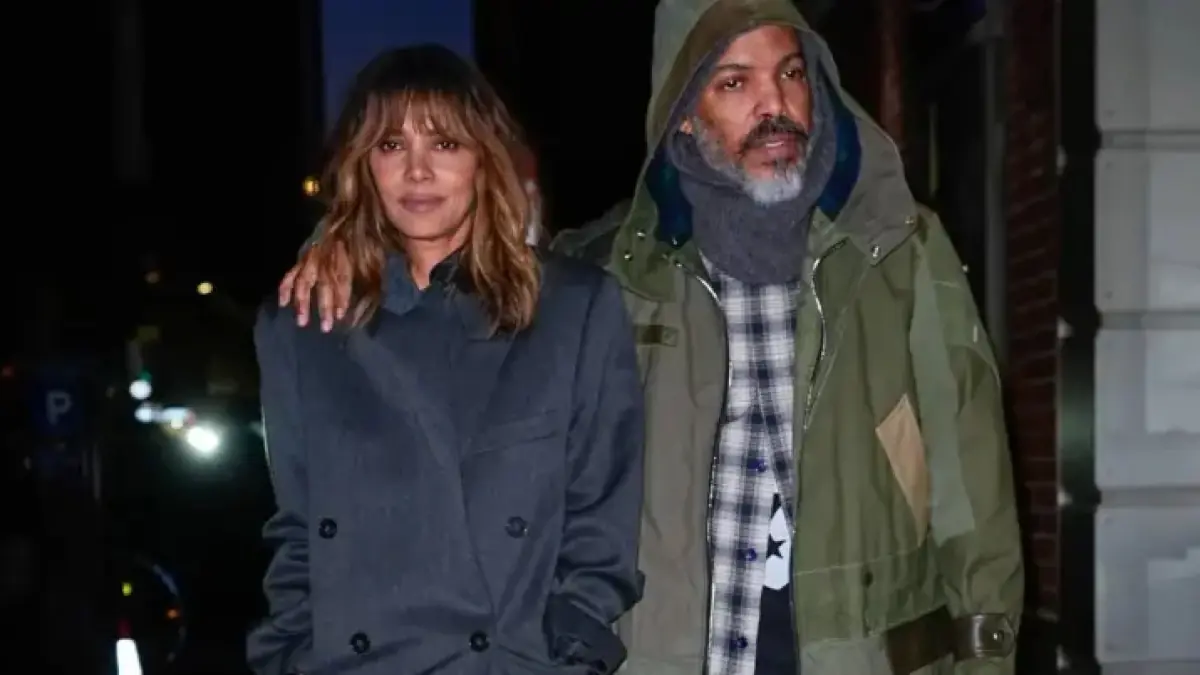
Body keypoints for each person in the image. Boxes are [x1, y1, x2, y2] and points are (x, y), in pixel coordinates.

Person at [279, 1, 1026, 673]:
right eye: (734, 83)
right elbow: (454, 270)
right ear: (684, 115)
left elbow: (973, 486)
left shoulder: (896, 251)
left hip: (856, 653)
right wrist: (342, 247)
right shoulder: (608, 271)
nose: (774, 104)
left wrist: (986, 655)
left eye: (791, 74)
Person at [249, 44, 645, 675]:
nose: (417, 171)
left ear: (483, 159)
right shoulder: (303, 327)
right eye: (391, 145)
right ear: (363, 165)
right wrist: (290, 658)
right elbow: (297, 530)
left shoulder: (574, 309)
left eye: (444, 143)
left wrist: (568, 655)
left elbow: (602, 525)